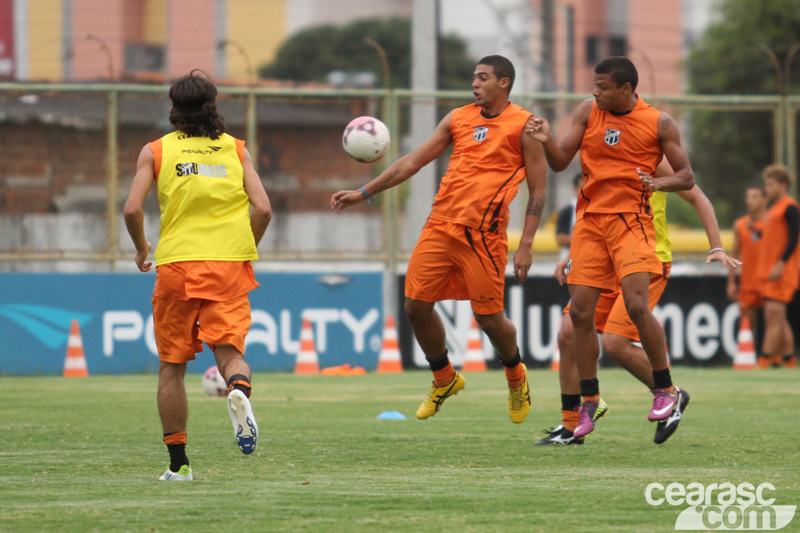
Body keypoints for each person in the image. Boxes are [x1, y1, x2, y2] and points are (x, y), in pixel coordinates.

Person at [331, 55, 547, 423]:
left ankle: (515, 376)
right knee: (415, 306)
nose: (475, 84)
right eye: (474, 78)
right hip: (440, 225)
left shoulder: (525, 126)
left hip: (484, 236)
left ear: (504, 83)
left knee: (490, 319)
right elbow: (412, 162)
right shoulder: (458, 118)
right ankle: (444, 378)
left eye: (483, 78)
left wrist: (526, 243)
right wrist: (364, 192)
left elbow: (539, 190)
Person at [525, 56, 695, 439]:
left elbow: (686, 176)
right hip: (589, 224)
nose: (594, 91)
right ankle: (589, 401)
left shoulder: (659, 122)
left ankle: (666, 390)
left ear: (627, 89)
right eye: (594, 85)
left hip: (631, 223)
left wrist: (658, 183)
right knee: (580, 316)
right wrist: (547, 139)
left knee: (636, 305)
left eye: (602, 86)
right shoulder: (588, 111)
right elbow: (559, 162)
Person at [124, 71, 272, 481]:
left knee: (171, 367)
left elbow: (132, 209)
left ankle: (179, 464)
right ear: (214, 107)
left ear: (173, 111)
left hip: (176, 266)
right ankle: (238, 388)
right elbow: (263, 209)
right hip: (227, 265)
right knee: (228, 351)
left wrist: (140, 247)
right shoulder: (235, 150)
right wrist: (245, 249)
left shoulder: (156, 151)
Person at [536, 161, 739, 446]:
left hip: (646, 259)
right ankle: (571, 424)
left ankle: (672, 393)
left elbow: (698, 198)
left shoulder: (653, 155)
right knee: (568, 333)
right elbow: (594, 213)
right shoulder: (604, 150)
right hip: (606, 257)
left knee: (615, 343)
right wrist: (572, 255)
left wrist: (717, 246)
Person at [758, 164, 799, 368]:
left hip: (782, 269)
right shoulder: (773, 208)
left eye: (771, 184)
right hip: (771, 269)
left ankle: (765, 359)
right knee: (779, 319)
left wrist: (781, 263)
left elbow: (794, 239)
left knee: (773, 315)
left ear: (783, 185)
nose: (768, 188)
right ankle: (789, 358)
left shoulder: (789, 206)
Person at [727, 185, 767, 364]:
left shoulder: (773, 222)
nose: (749, 200)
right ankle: (750, 359)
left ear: (765, 200)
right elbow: (734, 254)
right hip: (749, 281)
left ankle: (774, 358)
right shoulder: (740, 224)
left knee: (774, 320)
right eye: (748, 196)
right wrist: (731, 282)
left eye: (755, 196)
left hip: (769, 280)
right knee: (748, 324)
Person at [555, 174, 582, 307]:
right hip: (570, 263)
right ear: (574, 188)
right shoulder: (568, 211)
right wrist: (586, 240)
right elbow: (560, 238)